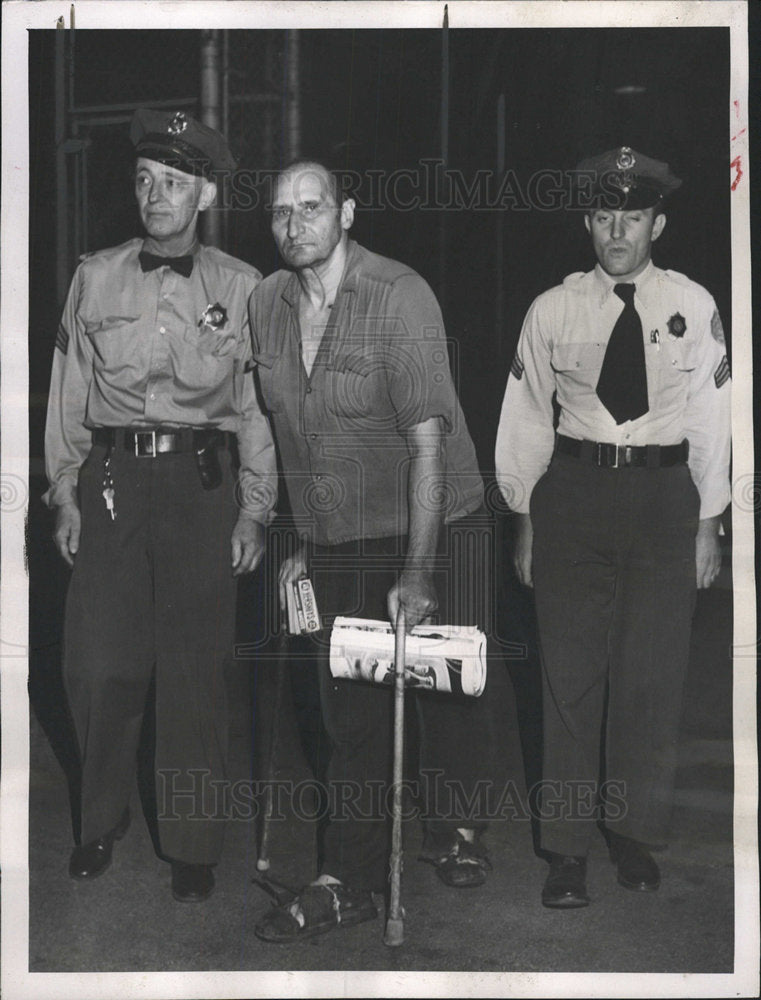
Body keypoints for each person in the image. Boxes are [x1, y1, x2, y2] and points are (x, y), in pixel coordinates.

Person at [249, 160, 496, 941]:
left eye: (312, 207)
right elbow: (293, 431)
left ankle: (455, 828)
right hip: (340, 529)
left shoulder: (399, 294)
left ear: (346, 213)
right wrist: (303, 542)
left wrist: (419, 570)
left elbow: (429, 444)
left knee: (443, 694)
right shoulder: (265, 303)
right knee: (347, 710)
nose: (294, 224)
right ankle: (348, 880)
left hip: (435, 517)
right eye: (281, 211)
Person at [44, 109, 277, 902]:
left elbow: (255, 408)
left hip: (199, 487)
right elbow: (68, 393)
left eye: (173, 183)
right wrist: (63, 491)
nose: (155, 196)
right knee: (96, 662)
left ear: (203, 193)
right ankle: (99, 820)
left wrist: (254, 510)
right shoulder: (94, 274)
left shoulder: (242, 288)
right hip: (110, 482)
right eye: (145, 180)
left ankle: (190, 840)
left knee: (193, 670)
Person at [495, 147, 731, 908]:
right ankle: (565, 849)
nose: (616, 231)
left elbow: (711, 418)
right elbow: (526, 416)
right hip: (573, 493)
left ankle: (631, 832)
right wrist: (524, 516)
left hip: (664, 498)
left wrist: (708, 521)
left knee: (650, 675)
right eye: (603, 216)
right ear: (587, 224)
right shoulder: (551, 309)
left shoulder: (692, 305)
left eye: (631, 216)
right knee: (569, 677)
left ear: (656, 222)